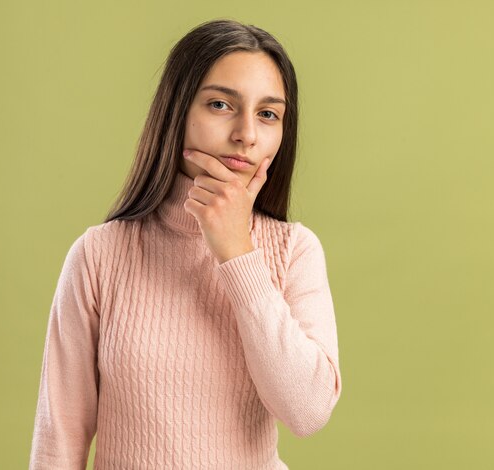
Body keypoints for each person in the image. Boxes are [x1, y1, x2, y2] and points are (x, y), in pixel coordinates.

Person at [29, 18, 342, 470]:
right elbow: (59, 439)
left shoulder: (294, 251)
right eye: (220, 104)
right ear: (177, 112)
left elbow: (308, 411)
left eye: (268, 114)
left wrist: (236, 251)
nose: (246, 135)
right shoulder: (99, 255)